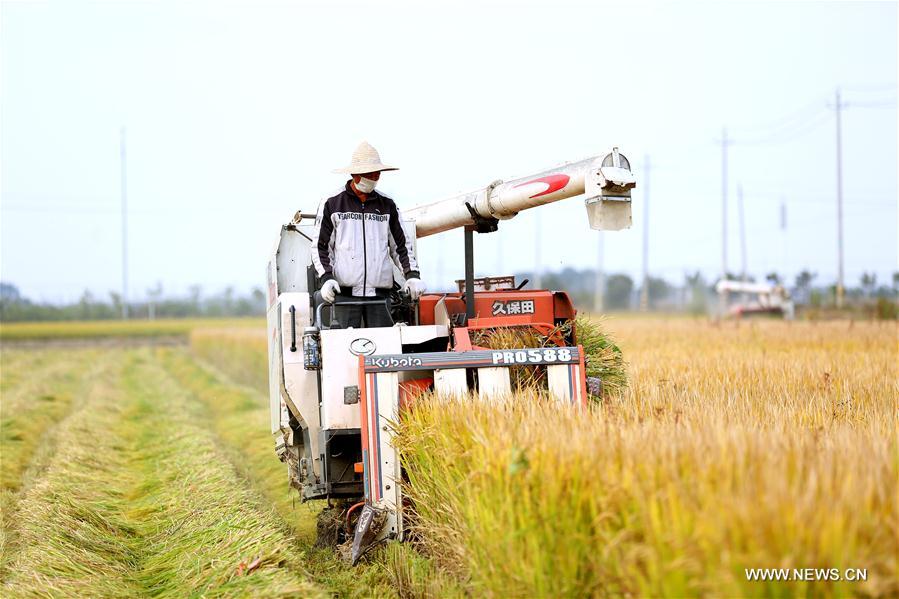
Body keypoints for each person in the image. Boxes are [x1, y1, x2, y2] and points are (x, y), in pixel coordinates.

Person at [311, 141, 426, 328]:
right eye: (368, 174)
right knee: (345, 348)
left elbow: (401, 246)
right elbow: (321, 247)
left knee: (383, 351)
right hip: (344, 294)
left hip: (380, 296)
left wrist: (412, 275)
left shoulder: (387, 205)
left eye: (376, 174)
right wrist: (327, 278)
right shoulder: (332, 204)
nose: (373, 178)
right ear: (354, 174)